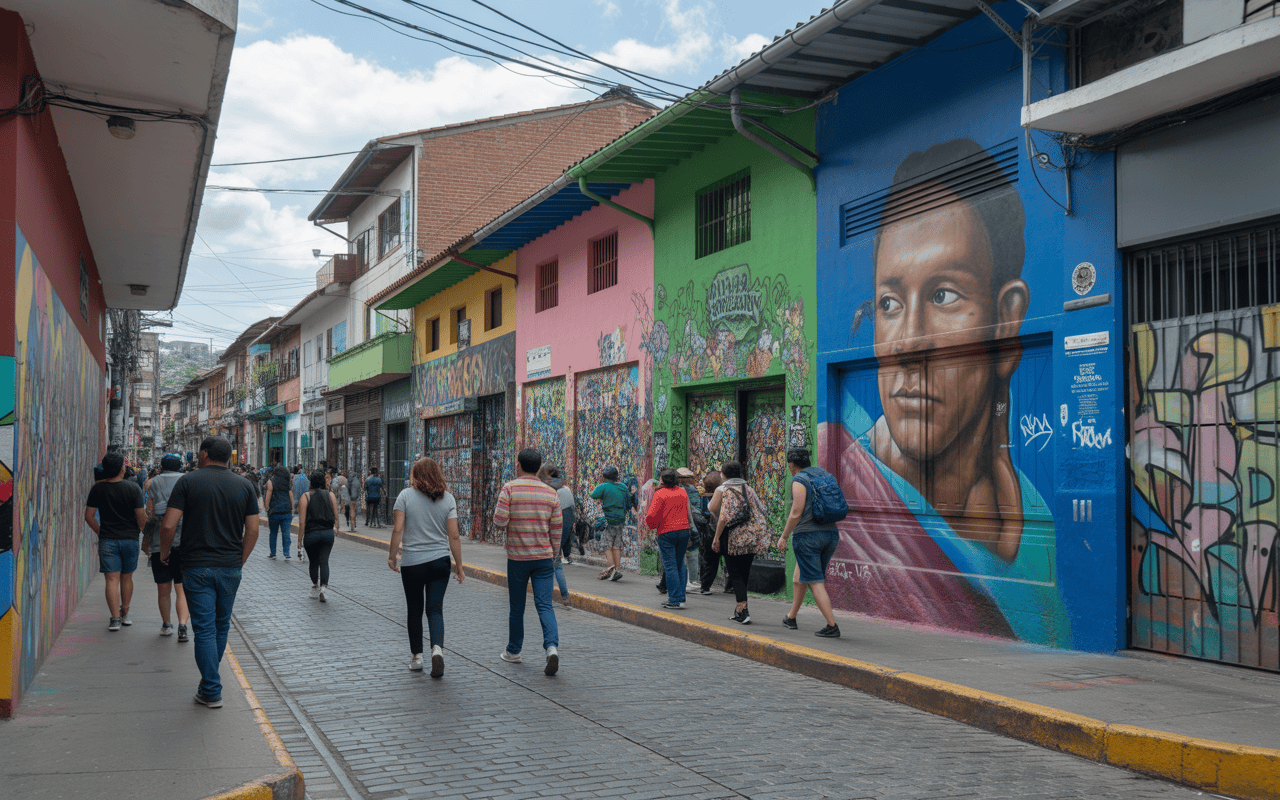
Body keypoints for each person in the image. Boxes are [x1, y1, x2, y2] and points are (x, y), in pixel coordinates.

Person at [827, 137, 1069, 642]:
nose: (909, 344)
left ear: (1007, 317)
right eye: (889, 303)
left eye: (943, 295)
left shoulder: (1036, 523)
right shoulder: (847, 474)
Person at [159, 436, 259, 709]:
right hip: (230, 567)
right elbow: (252, 530)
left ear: (203, 454)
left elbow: (168, 526)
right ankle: (208, 684)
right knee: (220, 625)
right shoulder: (245, 485)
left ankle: (212, 689)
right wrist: (240, 560)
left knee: (203, 629)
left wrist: (164, 553)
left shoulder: (188, 482)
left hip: (196, 566)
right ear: (229, 457)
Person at [389, 457, 464, 677]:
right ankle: (437, 649)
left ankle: (417, 658)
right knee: (435, 609)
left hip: (412, 563)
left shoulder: (405, 496)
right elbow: (455, 535)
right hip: (440, 561)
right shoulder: (448, 498)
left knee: (414, 609)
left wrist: (392, 556)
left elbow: (397, 529)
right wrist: (459, 566)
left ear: (415, 474)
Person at [492, 448, 562, 676]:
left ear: (519, 465)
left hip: (518, 558)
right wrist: (553, 553)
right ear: (539, 466)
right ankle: (551, 648)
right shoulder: (551, 493)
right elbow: (557, 529)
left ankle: (514, 651)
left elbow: (499, 521)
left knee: (517, 606)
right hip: (543, 558)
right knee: (545, 605)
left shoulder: (510, 488)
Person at [777, 448, 841, 638]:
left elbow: (796, 512)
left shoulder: (799, 480)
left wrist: (784, 536)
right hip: (830, 534)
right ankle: (791, 617)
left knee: (814, 580)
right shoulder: (825, 475)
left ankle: (832, 626)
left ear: (791, 465)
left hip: (808, 537)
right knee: (801, 574)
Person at [85, 451, 147, 631]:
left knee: (111, 580)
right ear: (122, 469)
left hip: (108, 540)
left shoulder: (98, 488)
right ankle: (125, 613)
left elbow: (89, 517)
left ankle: (114, 619)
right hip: (130, 539)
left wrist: (101, 531)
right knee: (127, 578)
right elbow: (141, 518)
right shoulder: (133, 488)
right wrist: (147, 541)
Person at [708, 461, 770, 625]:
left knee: (735, 574)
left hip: (732, 536)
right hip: (750, 536)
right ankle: (740, 609)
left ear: (724, 474)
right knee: (743, 573)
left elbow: (718, 514)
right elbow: (761, 510)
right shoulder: (748, 489)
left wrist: (716, 538)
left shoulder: (722, 490)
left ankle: (743, 611)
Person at [142, 454, 190, 641]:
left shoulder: (151, 483)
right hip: (184, 542)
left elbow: (150, 512)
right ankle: (183, 625)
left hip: (159, 542)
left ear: (162, 466)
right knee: (182, 588)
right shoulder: (187, 481)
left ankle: (166, 625)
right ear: (180, 466)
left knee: (163, 589)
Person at [645, 469, 693, 610]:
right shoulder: (682, 492)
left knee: (670, 565)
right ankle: (680, 597)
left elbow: (652, 515)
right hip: (683, 531)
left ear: (663, 480)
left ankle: (674, 599)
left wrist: (652, 526)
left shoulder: (660, 494)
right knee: (680, 564)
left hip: (666, 532)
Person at [298, 470, 340, 602]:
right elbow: (336, 516)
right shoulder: (330, 495)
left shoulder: (305, 497)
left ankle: (315, 586)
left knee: (313, 562)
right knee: (324, 561)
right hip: (328, 534)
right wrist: (335, 528)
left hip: (311, 534)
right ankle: (323, 589)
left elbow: (302, 522)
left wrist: (299, 541)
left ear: (311, 482)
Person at [589, 466, 630, 581]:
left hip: (609, 520)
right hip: (620, 519)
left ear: (604, 477)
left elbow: (592, 495)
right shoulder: (623, 487)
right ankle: (617, 569)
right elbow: (628, 503)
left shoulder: (603, 486)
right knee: (616, 545)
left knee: (607, 545)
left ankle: (611, 569)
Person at [537, 466, 571, 602]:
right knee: (557, 564)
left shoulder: (543, 490)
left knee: (546, 566)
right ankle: (565, 597)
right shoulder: (565, 489)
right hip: (562, 527)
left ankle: (545, 596)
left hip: (546, 531)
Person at [697, 470, 726, 595]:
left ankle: (705, 586)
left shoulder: (703, 497)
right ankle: (730, 586)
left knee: (710, 560)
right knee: (729, 560)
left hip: (709, 531)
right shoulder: (723, 494)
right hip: (723, 530)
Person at [263, 465, 295, 560]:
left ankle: (273, 553)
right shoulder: (287, 482)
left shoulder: (271, 481)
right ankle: (287, 553)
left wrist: (266, 507)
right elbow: (291, 495)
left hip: (274, 511)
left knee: (273, 533)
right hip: (286, 511)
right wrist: (292, 507)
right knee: (286, 533)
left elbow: (268, 495)